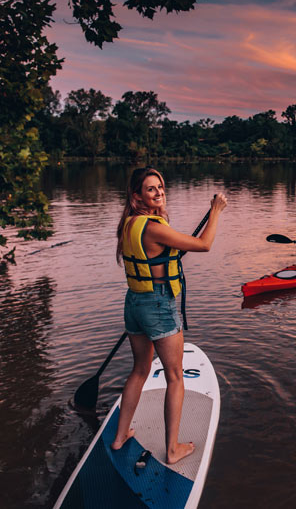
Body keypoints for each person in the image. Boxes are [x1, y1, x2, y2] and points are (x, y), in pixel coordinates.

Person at [111, 166, 227, 465]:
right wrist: (215, 211)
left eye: (160, 186)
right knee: (175, 376)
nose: (159, 192)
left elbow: (159, 254)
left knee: (139, 370)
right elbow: (204, 244)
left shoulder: (129, 223)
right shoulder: (154, 226)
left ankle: (121, 435)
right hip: (158, 305)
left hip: (134, 302)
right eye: (151, 189)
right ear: (137, 195)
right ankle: (173, 449)